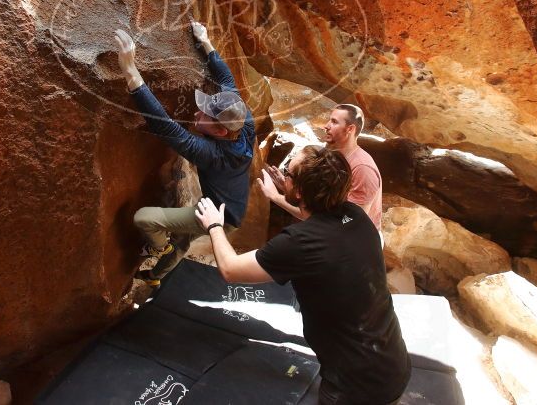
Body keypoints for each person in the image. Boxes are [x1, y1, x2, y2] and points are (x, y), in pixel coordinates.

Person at [195, 145, 410, 405]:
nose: (282, 174)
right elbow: (318, 222)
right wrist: (277, 197)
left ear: (298, 190)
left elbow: (231, 269)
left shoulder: (298, 243)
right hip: (393, 363)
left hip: (356, 387)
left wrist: (214, 225)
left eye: (287, 172)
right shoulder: (356, 216)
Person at [114, 21, 255, 286]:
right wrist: (205, 40)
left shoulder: (213, 154)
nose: (196, 113)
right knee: (182, 240)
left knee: (144, 218)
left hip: (222, 218)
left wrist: (131, 70)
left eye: (205, 116)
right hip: (230, 204)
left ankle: (157, 249)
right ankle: (155, 277)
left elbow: (164, 126)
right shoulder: (243, 122)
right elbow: (226, 80)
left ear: (222, 133)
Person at [259, 104, 383, 230]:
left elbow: (348, 224)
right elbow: (319, 207)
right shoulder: (330, 156)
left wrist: (276, 197)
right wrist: (291, 188)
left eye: (334, 122)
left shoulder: (362, 169)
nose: (326, 126)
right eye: (329, 120)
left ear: (350, 129)